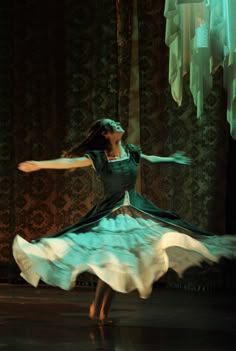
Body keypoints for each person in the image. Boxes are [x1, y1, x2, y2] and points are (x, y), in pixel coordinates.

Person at [13, 118, 236, 325]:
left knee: (117, 264)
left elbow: (149, 158)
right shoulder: (98, 158)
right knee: (114, 263)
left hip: (135, 212)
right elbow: (67, 162)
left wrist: (171, 159)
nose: (119, 124)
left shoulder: (130, 152)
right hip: (112, 215)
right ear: (106, 134)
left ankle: (98, 311)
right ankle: (97, 310)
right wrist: (40, 164)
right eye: (113, 124)